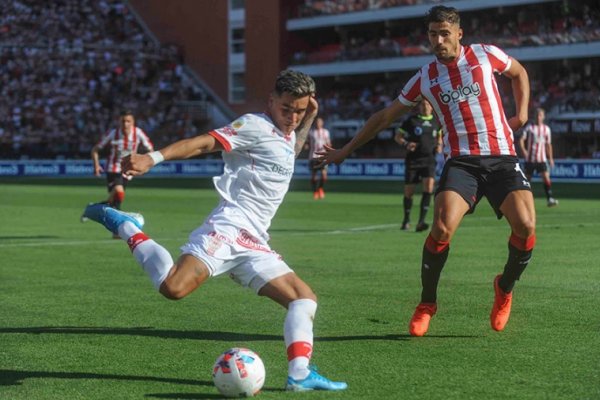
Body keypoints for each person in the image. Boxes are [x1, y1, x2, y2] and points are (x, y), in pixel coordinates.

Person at [81, 70, 347, 392]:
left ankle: (300, 373)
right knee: (173, 288)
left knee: (304, 300)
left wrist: (308, 118)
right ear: (271, 101)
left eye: (300, 111)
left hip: (255, 240)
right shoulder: (254, 126)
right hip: (230, 225)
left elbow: (291, 150)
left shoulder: (287, 133)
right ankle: (125, 225)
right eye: (286, 108)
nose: (292, 117)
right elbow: (202, 143)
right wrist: (152, 158)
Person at [317, 6, 535, 336]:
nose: (438, 40)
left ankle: (504, 288)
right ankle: (427, 303)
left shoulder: (485, 54)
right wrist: (346, 150)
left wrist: (522, 115)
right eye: (433, 34)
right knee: (442, 228)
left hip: (502, 157)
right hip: (462, 162)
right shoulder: (425, 77)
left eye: (444, 33)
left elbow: (519, 73)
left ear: (459, 33)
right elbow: (384, 117)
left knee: (527, 226)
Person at [90, 110, 154, 212]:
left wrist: (145, 162)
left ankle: (96, 209)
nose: (125, 124)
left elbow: (150, 149)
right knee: (118, 191)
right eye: (123, 121)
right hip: (113, 168)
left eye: (128, 121)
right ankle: (115, 213)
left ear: (133, 122)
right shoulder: (113, 133)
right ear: (119, 122)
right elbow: (95, 149)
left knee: (115, 198)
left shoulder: (138, 133)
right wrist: (96, 166)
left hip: (128, 169)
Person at [394, 100, 442, 232]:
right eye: (423, 105)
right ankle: (406, 220)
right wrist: (406, 144)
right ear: (420, 107)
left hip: (429, 160)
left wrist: (439, 145)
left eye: (428, 105)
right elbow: (398, 137)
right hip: (413, 160)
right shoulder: (411, 121)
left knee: (429, 188)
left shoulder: (437, 122)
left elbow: (440, 137)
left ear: (432, 107)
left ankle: (421, 221)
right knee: (409, 192)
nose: (426, 107)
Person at [518, 108, 558, 207]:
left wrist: (551, 158)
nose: (538, 117)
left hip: (542, 159)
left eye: (540, 115)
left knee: (546, 178)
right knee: (527, 181)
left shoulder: (546, 129)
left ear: (543, 117)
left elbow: (548, 145)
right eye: (536, 115)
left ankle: (550, 199)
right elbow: (521, 140)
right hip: (530, 159)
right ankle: (523, 200)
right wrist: (523, 150)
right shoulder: (529, 127)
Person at [307, 117, 332, 199]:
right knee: (314, 176)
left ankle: (320, 189)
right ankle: (315, 192)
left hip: (323, 157)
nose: (318, 123)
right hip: (313, 156)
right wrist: (306, 146)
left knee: (324, 176)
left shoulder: (326, 132)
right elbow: (308, 143)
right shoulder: (311, 132)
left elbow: (329, 143)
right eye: (317, 122)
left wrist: (327, 147)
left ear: (322, 123)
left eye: (319, 122)